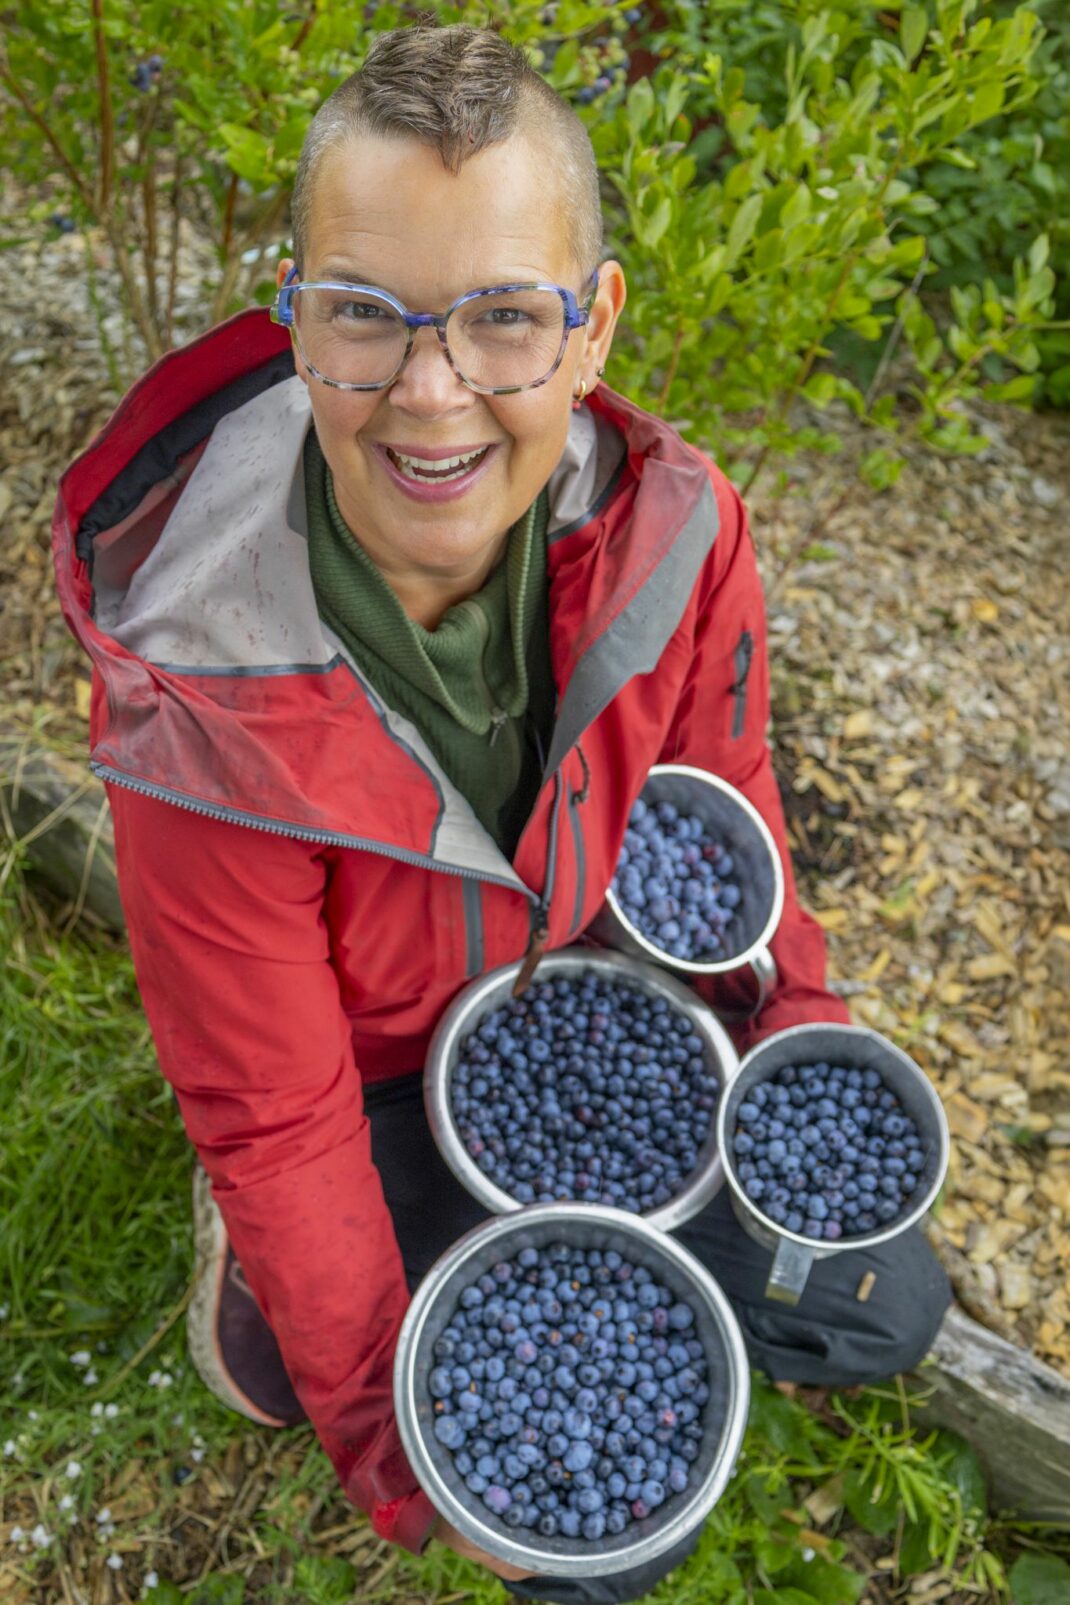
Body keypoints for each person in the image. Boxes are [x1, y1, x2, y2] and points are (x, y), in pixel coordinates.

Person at [53, 22, 950, 1603]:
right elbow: (276, 1106)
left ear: (591, 328)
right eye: (365, 319)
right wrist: (403, 1459)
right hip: (369, 1071)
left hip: (578, 1008)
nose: (429, 390)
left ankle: (525, 1242)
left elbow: (717, 809)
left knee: (878, 1299)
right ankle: (271, 1267)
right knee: (577, 1543)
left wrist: (790, 1036)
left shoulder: (677, 537)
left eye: (500, 320)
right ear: (296, 321)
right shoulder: (205, 687)